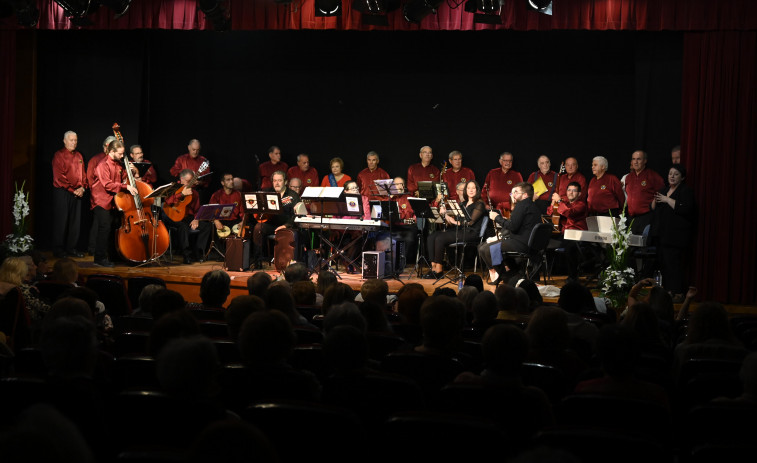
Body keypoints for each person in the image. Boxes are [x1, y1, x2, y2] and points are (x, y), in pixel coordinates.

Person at [478, 182, 542, 285]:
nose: (513, 195)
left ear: (525, 195)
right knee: (491, 247)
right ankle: (514, 274)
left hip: (521, 243)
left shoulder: (521, 205)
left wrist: (497, 218)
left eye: (516, 192)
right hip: (530, 244)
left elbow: (513, 227)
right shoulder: (533, 206)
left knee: (488, 249)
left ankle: (506, 276)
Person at [89, 139, 139, 267]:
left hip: (113, 200)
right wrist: (126, 187)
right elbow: (107, 184)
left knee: (113, 228)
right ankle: (99, 258)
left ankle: (113, 256)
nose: (123, 156)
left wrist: (132, 171)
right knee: (104, 228)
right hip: (101, 200)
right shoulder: (102, 165)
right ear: (111, 151)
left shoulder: (118, 164)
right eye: (120, 154)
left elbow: (121, 179)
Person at [650, 164, 696, 302]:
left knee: (674, 265)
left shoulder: (685, 191)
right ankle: (668, 291)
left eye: (676, 174)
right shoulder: (664, 190)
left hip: (676, 236)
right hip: (662, 234)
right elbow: (653, 208)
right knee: (664, 264)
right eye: (670, 173)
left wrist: (667, 199)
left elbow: (685, 209)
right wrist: (655, 200)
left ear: (682, 177)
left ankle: (678, 293)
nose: (672, 176)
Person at [424, 180, 486, 279]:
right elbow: (457, 220)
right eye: (468, 188)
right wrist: (445, 215)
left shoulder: (479, 204)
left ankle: (439, 269)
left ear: (477, 190)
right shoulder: (463, 203)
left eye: (473, 188)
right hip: (460, 230)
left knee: (440, 238)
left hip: (471, 232)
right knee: (432, 236)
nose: (470, 190)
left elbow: (470, 222)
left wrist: (453, 221)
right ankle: (433, 267)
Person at [162, 168, 213, 264]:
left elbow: (197, 209)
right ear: (181, 179)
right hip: (172, 215)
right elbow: (168, 202)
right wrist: (181, 194)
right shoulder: (173, 187)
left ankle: (197, 252)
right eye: (188, 181)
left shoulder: (194, 193)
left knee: (206, 226)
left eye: (192, 181)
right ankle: (186, 255)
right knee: (183, 227)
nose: (191, 184)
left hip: (187, 216)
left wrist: (196, 219)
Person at [251, 171, 301, 269]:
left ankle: (284, 264)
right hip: (271, 224)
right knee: (258, 228)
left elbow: (297, 215)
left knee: (286, 233)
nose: (277, 183)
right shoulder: (267, 192)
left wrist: (285, 225)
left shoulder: (293, 195)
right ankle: (257, 261)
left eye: (279, 180)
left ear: (285, 182)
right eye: (274, 181)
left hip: (286, 226)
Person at [52, 130, 88, 258]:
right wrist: (74, 190)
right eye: (71, 140)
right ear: (65, 141)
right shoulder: (59, 155)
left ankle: (71, 248)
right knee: (62, 221)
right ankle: (58, 249)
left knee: (75, 222)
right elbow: (59, 177)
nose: (74, 142)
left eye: (76, 140)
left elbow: (83, 174)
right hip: (63, 192)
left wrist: (83, 188)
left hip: (78, 192)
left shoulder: (79, 155)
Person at [546, 181, 588, 282]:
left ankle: (573, 276)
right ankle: (545, 274)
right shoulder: (565, 203)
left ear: (579, 194)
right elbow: (550, 213)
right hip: (564, 234)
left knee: (570, 246)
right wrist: (553, 204)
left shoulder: (581, 204)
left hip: (577, 235)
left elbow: (569, 213)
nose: (571, 193)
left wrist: (559, 201)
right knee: (543, 241)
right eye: (569, 190)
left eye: (574, 191)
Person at [85, 135, 115, 256]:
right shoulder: (97, 160)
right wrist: (96, 194)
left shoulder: (114, 161)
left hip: (111, 196)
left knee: (105, 224)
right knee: (99, 223)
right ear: (105, 147)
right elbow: (90, 179)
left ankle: (103, 248)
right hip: (99, 197)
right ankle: (93, 248)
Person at [625, 150, 664, 235]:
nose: (635, 162)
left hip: (646, 217)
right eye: (633, 159)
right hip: (631, 218)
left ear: (645, 161)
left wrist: (654, 204)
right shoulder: (628, 177)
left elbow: (662, 191)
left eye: (638, 159)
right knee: (630, 246)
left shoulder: (652, 176)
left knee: (644, 246)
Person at [208, 173, 245, 249]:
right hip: (221, 221)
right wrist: (216, 221)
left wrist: (243, 222)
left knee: (247, 228)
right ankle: (221, 254)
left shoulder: (239, 194)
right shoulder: (216, 195)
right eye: (228, 180)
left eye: (232, 179)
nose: (231, 181)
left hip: (235, 221)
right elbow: (211, 211)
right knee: (212, 228)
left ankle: (238, 253)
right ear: (222, 183)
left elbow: (243, 212)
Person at [481, 151, 523, 215]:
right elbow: (484, 190)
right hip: (491, 208)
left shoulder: (517, 175)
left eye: (510, 161)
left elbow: (521, 193)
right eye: (506, 160)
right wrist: (485, 204)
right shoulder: (492, 173)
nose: (508, 163)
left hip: (509, 210)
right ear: (500, 161)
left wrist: (514, 206)